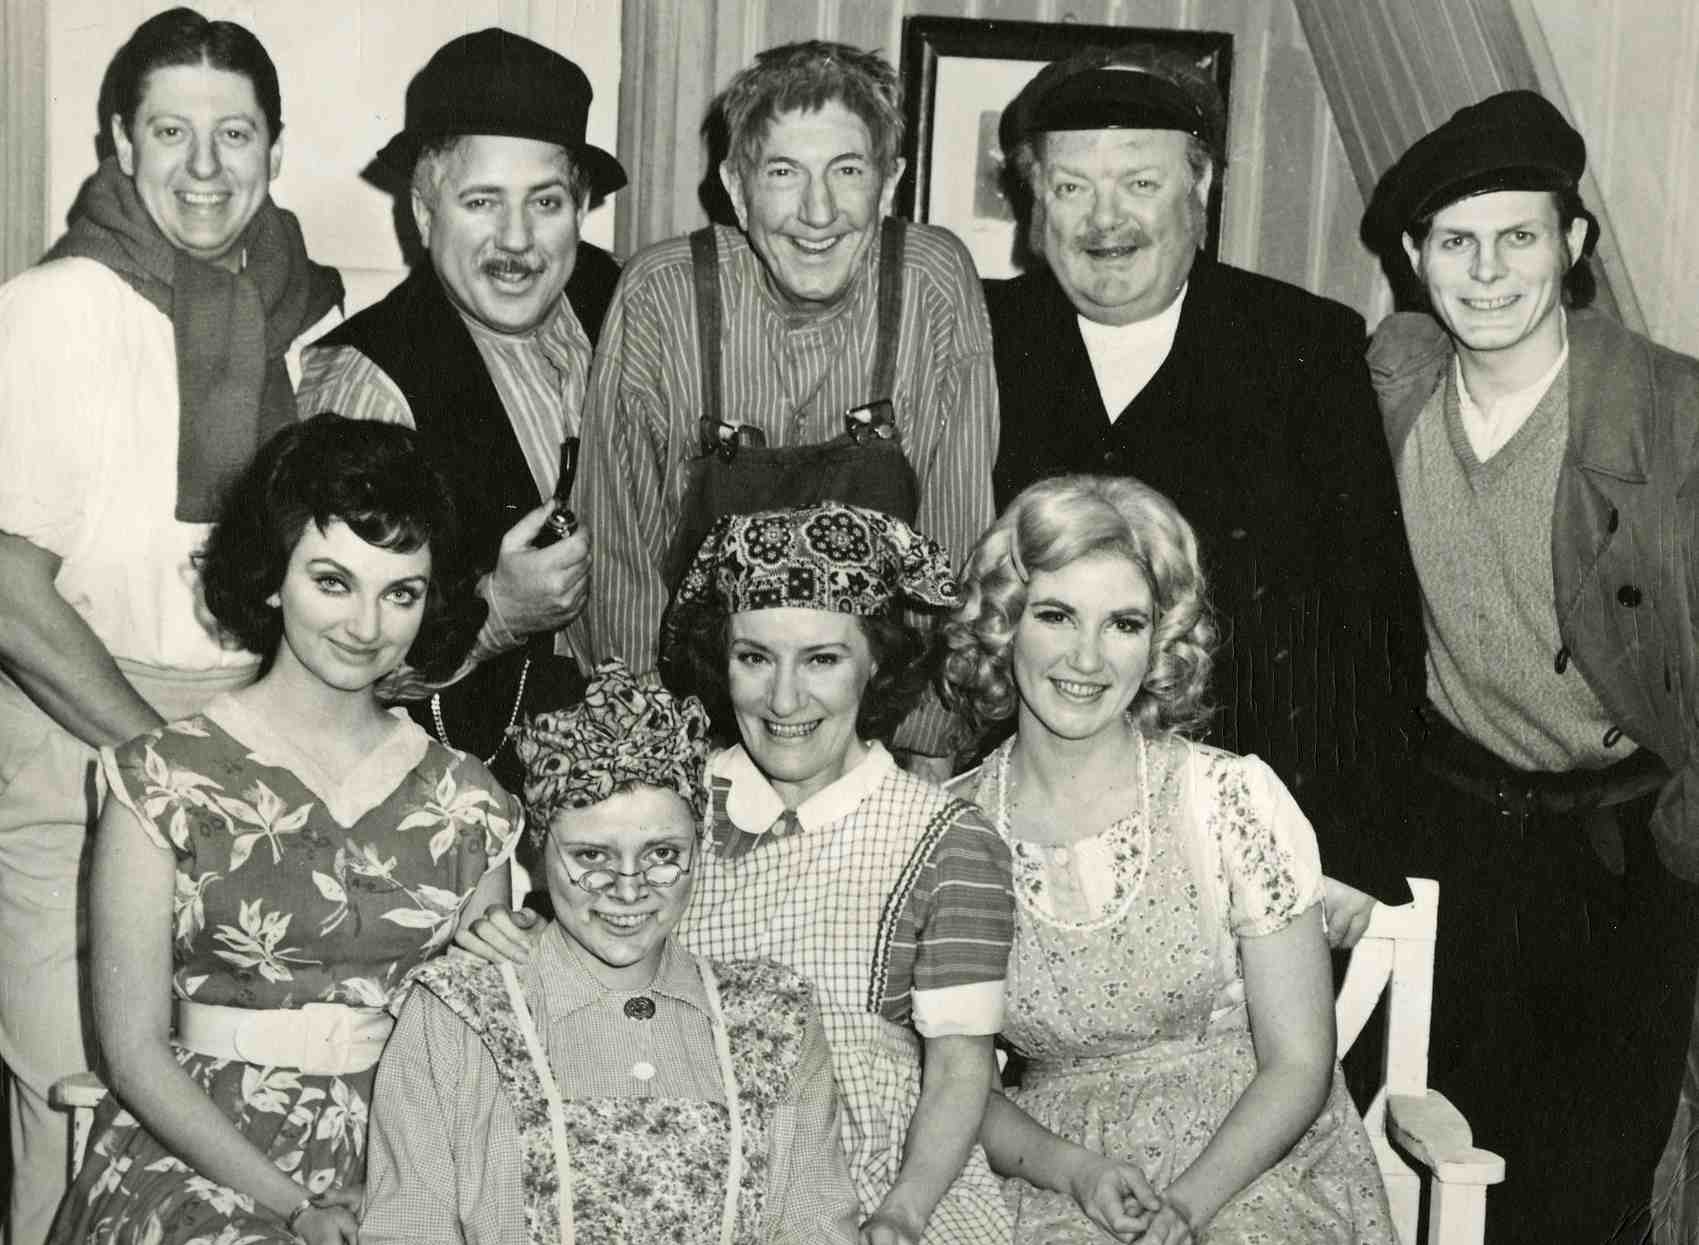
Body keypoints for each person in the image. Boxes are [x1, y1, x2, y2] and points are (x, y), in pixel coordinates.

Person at [0, 11, 343, 1241]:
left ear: (274, 148)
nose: (205, 167)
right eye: (170, 133)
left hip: (263, 745)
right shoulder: (51, 312)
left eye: (234, 134)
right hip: (81, 748)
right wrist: (171, 764)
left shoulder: (314, 314)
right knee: (80, 1113)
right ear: (119, 143)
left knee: (243, 1140)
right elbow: (7, 589)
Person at [463, 502, 1017, 1244]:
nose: (783, 699)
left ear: (879, 660)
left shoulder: (945, 840)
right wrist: (522, 937)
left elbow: (959, 1071)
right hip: (672, 1166)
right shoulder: (664, 798)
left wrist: (901, 1213)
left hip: (877, 1178)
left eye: (821, 659)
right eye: (755, 658)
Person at [46, 416, 519, 1245]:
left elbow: (479, 1056)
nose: (366, 625)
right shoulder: (161, 776)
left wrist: (402, 1192)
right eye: (333, 582)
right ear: (272, 579)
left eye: (400, 593)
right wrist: (296, 1206)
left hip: (407, 1154)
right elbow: (133, 1052)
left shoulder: (469, 802)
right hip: (197, 1157)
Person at [984, 45, 1421, 942]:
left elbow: (1370, 609)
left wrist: (1353, 840)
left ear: (1202, 187)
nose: (1105, 219)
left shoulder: (1303, 346)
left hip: (1249, 855)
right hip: (1018, 845)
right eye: (1070, 187)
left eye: (1140, 183)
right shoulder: (979, 338)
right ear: (1033, 204)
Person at [1363, 89, 1699, 1243]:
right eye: (1455, 241)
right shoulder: (1396, 384)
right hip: (1454, 835)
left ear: (1574, 242)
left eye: (1518, 236)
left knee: (1587, 1186)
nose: (1488, 271)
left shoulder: (1671, 417)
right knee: (1438, 1162)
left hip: (1622, 852)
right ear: (1415, 260)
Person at [940, 475, 1395, 1244]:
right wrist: (1073, 1171)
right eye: (1055, 615)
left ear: (1158, 639)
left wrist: (1185, 1207)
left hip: (1250, 1164)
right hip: (1050, 1176)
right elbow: (962, 1090)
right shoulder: (949, 832)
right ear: (1003, 622)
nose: (1086, 657)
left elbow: (1297, 1063)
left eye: (1123, 623)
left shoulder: (1227, 799)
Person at [576, 41, 999, 782]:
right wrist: (659, 764)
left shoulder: (932, 281)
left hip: (882, 741)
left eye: (847, 170)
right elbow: (617, 565)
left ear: (890, 183)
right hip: (698, 737)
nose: (817, 212)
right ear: (735, 189)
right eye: (782, 172)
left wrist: (925, 750)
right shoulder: (661, 294)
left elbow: (958, 556)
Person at [361, 658, 861, 1244]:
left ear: (699, 848)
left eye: (662, 854)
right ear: (537, 855)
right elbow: (408, 1228)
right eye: (591, 857)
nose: (628, 889)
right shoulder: (456, 1015)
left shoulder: (774, 1017)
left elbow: (816, 1228)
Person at [298, 28, 620, 788]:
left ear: (580, 209)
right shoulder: (367, 383)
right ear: (423, 212)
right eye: (482, 202)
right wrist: (497, 611)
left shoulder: (628, 304)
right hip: (462, 798)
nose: (517, 240)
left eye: (546, 202)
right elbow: (332, 659)